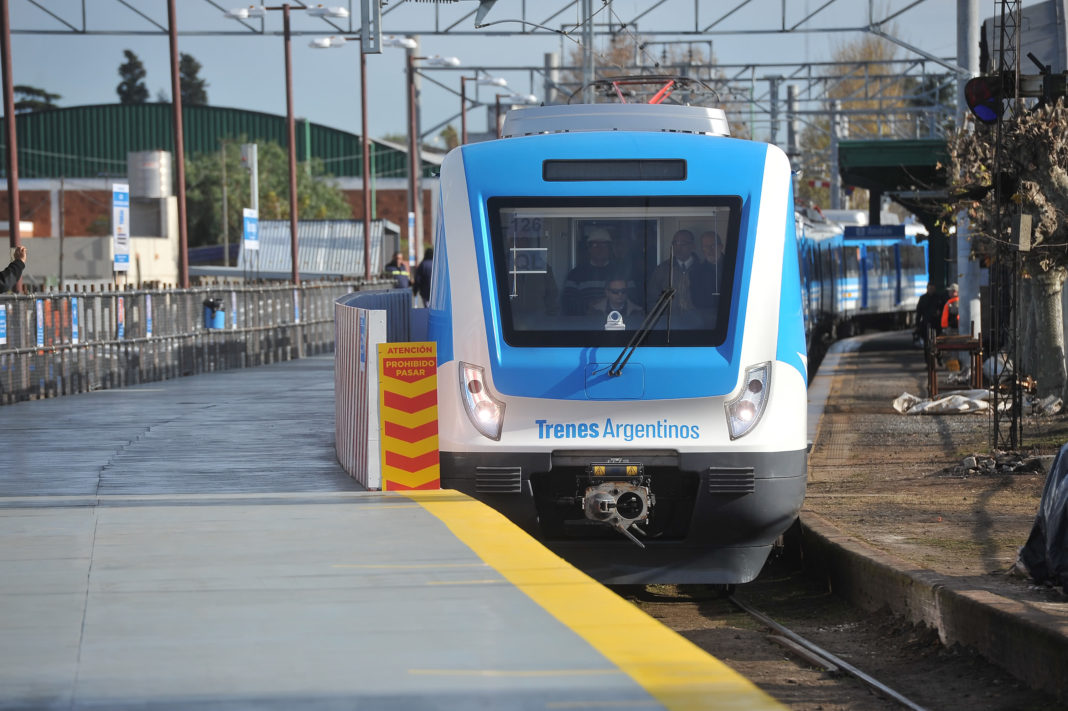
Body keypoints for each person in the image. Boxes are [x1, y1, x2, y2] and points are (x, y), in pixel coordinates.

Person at [562, 228, 615, 316]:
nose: (599, 249)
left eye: (604, 245)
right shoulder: (576, 274)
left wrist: (609, 305)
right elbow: (567, 303)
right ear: (589, 249)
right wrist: (587, 307)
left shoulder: (620, 272)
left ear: (609, 249)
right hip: (584, 326)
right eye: (595, 245)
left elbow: (633, 301)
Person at [914, 282, 943, 348]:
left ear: (935, 289)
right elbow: (919, 312)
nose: (931, 290)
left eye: (932, 288)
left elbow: (942, 309)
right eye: (929, 288)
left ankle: (937, 354)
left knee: (937, 340)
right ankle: (927, 355)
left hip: (936, 323)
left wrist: (939, 313)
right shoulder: (923, 298)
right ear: (927, 288)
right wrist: (917, 324)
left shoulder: (938, 298)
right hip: (926, 322)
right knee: (926, 341)